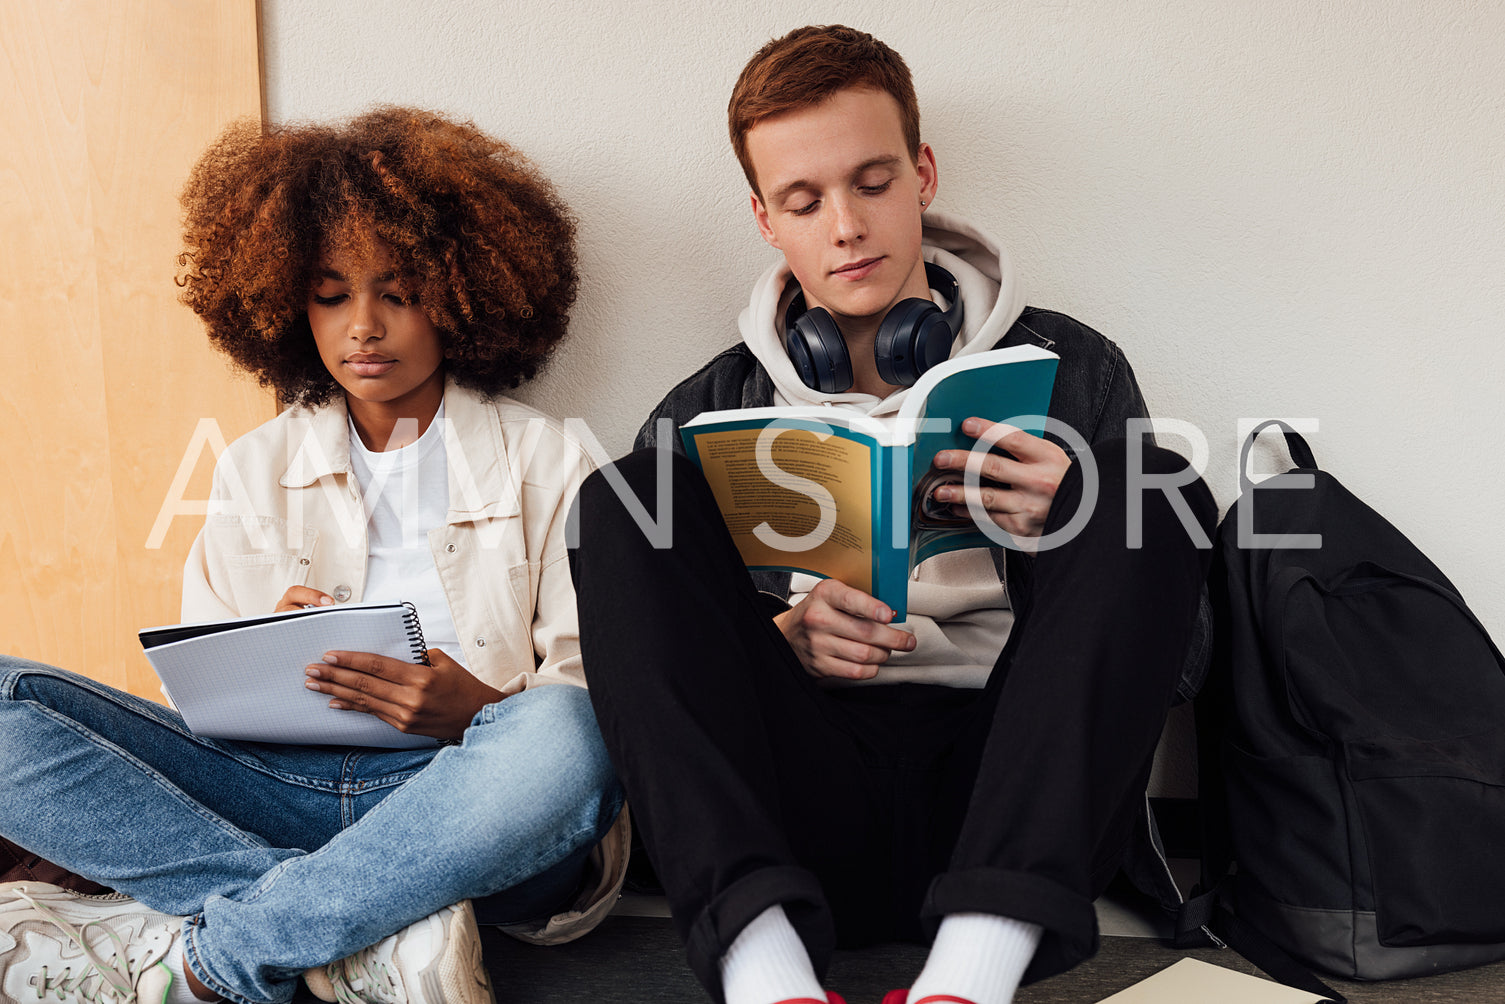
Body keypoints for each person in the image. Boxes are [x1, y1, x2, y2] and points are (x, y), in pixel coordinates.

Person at [568, 25, 1215, 1004]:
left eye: (870, 182)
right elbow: (656, 682)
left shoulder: (1073, 370)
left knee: (1146, 477)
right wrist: (777, 638)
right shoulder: (706, 408)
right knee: (623, 498)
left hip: (1010, 803)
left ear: (922, 173)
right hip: (801, 820)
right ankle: (764, 976)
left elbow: (1183, 661)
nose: (844, 225)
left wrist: (1069, 521)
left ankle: (970, 973)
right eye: (803, 199)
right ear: (763, 219)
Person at [0, 107, 626, 1004]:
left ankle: (219, 953)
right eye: (332, 295)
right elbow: (204, 696)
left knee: (568, 734)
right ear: (288, 304)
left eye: (397, 291)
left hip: (468, 803)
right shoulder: (255, 466)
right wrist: (268, 661)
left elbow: (603, 692)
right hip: (281, 792)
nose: (362, 326)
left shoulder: (553, 458)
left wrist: (473, 709)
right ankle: (364, 936)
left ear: (460, 294)